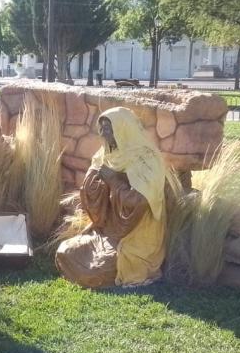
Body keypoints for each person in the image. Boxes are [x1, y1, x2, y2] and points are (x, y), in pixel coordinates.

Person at [55, 107, 171, 288]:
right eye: (101, 128)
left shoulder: (147, 159)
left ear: (123, 129)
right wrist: (94, 179)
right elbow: (90, 192)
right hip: (108, 232)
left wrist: (114, 181)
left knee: (92, 270)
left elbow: (139, 203)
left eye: (108, 128)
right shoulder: (106, 154)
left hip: (135, 237)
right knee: (66, 251)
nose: (102, 133)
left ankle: (114, 267)